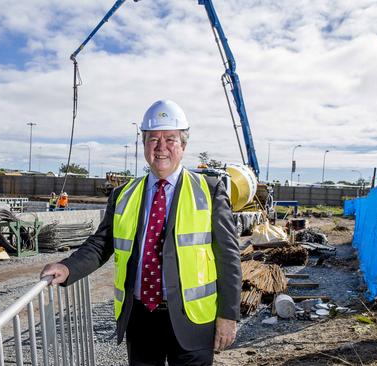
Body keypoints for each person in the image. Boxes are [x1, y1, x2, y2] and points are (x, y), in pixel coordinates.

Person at [41, 100, 242, 366]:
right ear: (144, 145)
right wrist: (68, 268)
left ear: (183, 145)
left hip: (193, 320)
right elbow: (102, 243)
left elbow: (229, 259)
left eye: (170, 139)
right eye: (152, 139)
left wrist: (228, 316)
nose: (161, 147)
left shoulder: (210, 191)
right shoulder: (124, 194)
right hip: (141, 318)